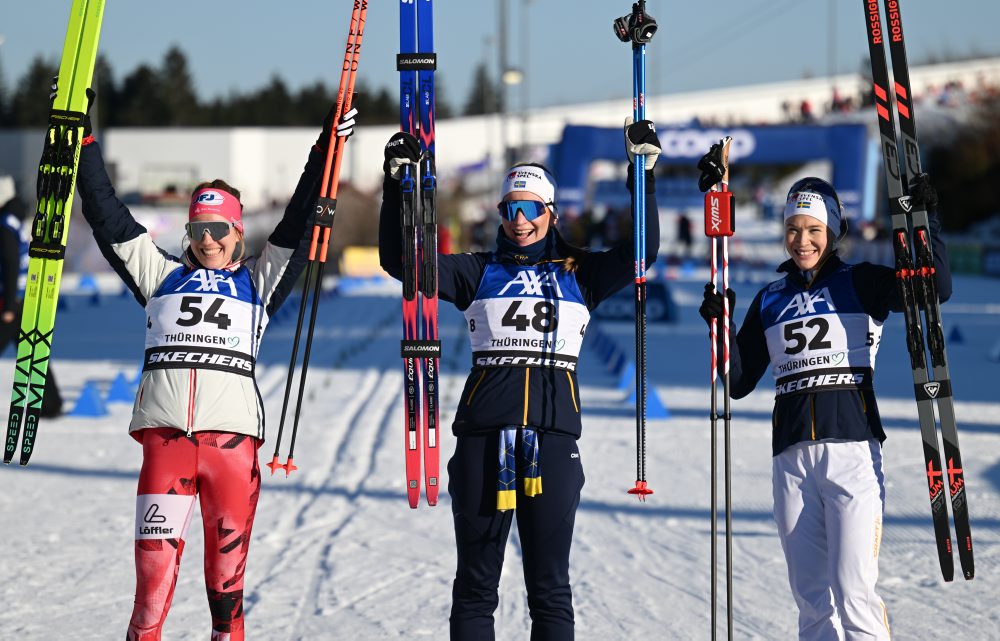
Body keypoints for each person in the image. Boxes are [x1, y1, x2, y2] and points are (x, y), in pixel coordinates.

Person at [73, 89, 356, 640]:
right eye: (198, 230)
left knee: (226, 595)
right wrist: (83, 140)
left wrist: (326, 146)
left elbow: (301, 213)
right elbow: (106, 214)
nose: (208, 240)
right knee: (150, 594)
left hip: (233, 451)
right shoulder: (158, 274)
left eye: (219, 230)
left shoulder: (259, 279)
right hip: (168, 446)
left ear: (236, 231)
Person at [379, 118, 661, 640]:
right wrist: (396, 186)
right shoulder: (477, 270)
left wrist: (639, 173)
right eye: (510, 209)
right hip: (485, 439)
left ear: (551, 213)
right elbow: (402, 263)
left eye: (530, 208)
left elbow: (641, 251)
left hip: (553, 440)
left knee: (550, 590)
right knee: (476, 587)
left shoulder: (580, 272)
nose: (519, 220)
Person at [698, 175, 951, 641]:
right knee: (812, 602)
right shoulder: (770, 298)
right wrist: (720, 326)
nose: (802, 240)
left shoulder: (862, 282)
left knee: (854, 593)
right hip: (791, 460)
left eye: (814, 229)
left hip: (852, 454)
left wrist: (927, 222)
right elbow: (736, 383)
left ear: (833, 231)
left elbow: (933, 289)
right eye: (794, 229)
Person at [0, 175, 63, 417]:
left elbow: (10, 262)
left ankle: (51, 403)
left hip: (13, 301)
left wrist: (10, 304)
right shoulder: (16, 219)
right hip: (27, 297)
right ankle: (51, 403)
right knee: (34, 352)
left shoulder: (5, 223)